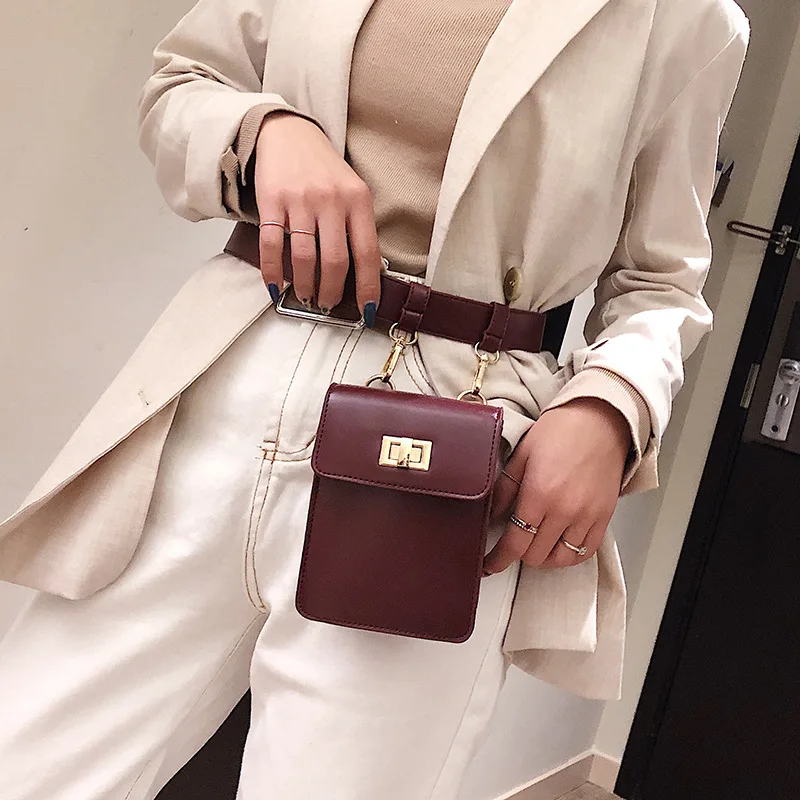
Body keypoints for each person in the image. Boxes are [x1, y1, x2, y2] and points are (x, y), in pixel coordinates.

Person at [0, 1, 748, 798]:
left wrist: (611, 405)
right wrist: (265, 132)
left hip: (450, 444)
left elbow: (661, 279)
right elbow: (181, 85)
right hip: (224, 383)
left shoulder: (684, 17)